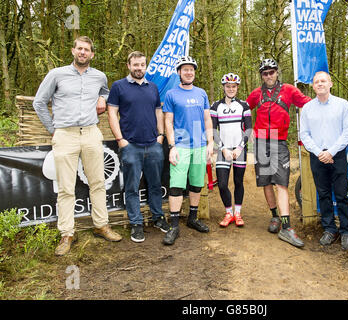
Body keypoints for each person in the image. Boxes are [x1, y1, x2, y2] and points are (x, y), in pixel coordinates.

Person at [33, 36, 122, 256]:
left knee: (98, 181)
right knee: (65, 186)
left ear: (92, 54)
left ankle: (101, 225)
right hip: (65, 134)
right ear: (73, 51)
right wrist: (54, 129)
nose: (83, 52)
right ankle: (67, 233)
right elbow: (39, 102)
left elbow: (106, 93)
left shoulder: (99, 76)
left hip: (91, 132)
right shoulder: (56, 74)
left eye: (87, 50)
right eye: (79, 48)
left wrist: (103, 96)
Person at [246, 58, 311, 248]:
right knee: (266, 182)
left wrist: (329, 103)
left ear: (277, 72)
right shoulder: (256, 93)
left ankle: (286, 226)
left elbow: (307, 104)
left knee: (281, 183)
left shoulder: (289, 90)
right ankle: (274, 216)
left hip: (279, 140)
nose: (268, 76)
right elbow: (243, 110)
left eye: (271, 72)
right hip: (259, 142)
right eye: (265, 73)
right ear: (262, 76)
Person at [107, 51, 170, 243]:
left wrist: (160, 136)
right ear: (128, 65)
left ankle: (158, 218)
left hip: (153, 145)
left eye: (142, 65)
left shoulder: (153, 87)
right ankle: (136, 224)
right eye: (135, 65)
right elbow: (112, 114)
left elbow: (158, 111)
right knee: (132, 187)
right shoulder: (118, 86)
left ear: (146, 66)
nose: (139, 68)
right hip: (131, 146)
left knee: (155, 185)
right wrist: (120, 140)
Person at [162, 56, 214, 245]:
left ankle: (192, 218)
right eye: (185, 69)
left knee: (196, 183)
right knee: (176, 185)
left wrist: (210, 143)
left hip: (200, 146)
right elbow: (168, 121)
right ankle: (174, 225)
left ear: (194, 72)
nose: (188, 72)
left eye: (191, 69)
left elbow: (208, 119)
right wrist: (172, 146)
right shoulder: (171, 94)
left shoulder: (201, 93)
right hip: (181, 146)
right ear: (179, 73)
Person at [300, 71, 348, 250]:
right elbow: (304, 134)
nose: (320, 84)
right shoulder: (307, 108)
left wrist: (330, 152)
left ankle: (346, 231)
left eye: (323, 81)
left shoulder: (342, 105)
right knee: (323, 194)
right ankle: (329, 229)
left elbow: (347, 132)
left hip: (337, 155)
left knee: (341, 194)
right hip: (317, 156)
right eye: (316, 82)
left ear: (330, 83)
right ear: (313, 86)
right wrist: (318, 152)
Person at [210, 73, 252, 227]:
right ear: (224, 87)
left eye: (234, 86)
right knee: (222, 184)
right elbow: (213, 130)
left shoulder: (244, 105)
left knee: (238, 181)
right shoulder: (215, 106)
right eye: (228, 86)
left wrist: (240, 147)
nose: (231, 89)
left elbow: (248, 129)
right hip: (224, 150)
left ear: (237, 87)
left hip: (239, 149)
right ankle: (228, 212)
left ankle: (238, 213)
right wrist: (222, 148)